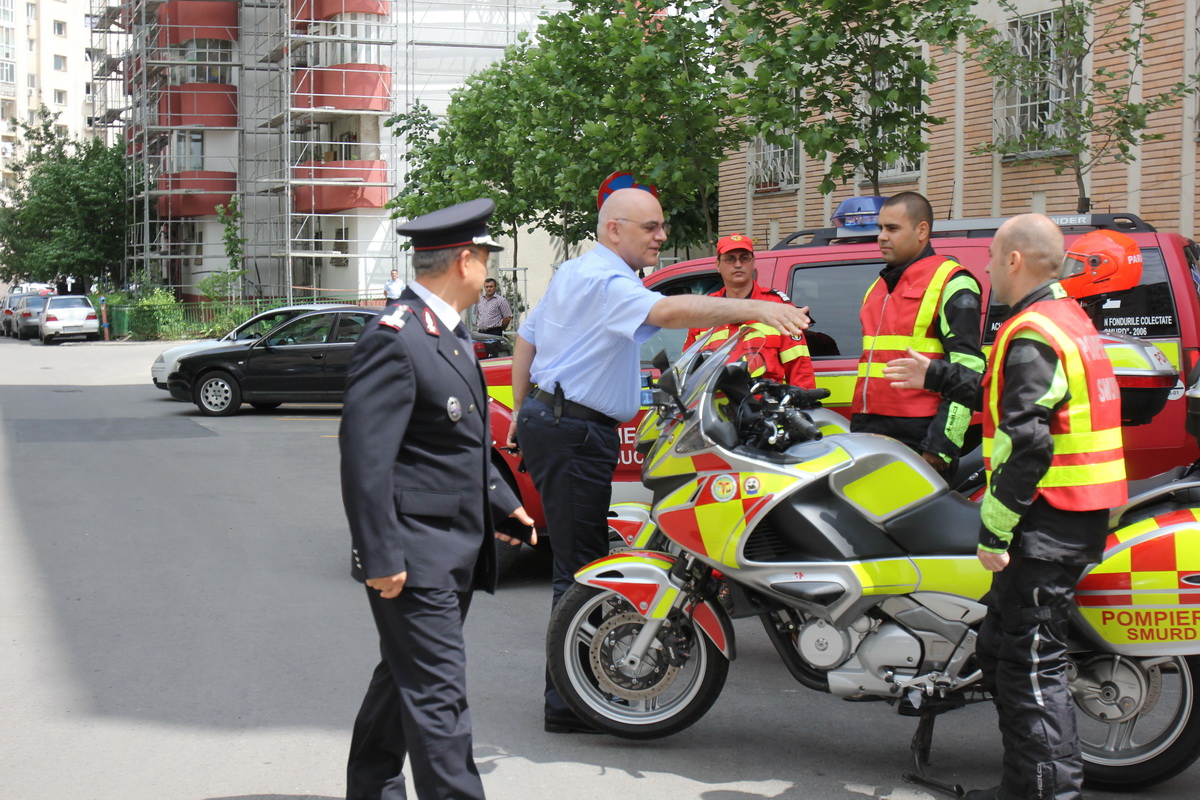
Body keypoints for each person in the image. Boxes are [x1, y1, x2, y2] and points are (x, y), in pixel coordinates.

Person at [505, 187, 811, 734]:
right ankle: (569, 703)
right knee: (579, 572)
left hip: (558, 421)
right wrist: (759, 308)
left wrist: (522, 411)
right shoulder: (606, 280)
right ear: (614, 229)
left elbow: (526, 341)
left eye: (661, 225)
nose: (661, 236)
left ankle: (575, 693)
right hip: (573, 429)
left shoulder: (578, 273)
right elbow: (668, 310)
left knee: (581, 564)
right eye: (651, 227)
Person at [883, 213, 1127, 800]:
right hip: (1070, 515)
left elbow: (1025, 440)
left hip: (1048, 522)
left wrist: (993, 534)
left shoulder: (1035, 330)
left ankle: (1044, 791)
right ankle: (1024, 783)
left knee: (1030, 670)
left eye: (992, 258)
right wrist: (936, 374)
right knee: (1000, 652)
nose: (988, 269)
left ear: (1014, 260)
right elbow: (1000, 389)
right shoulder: (1063, 320)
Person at [340, 198, 535, 800]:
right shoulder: (396, 339)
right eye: (485, 256)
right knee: (439, 700)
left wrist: (504, 500)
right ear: (467, 261)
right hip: (415, 557)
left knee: (403, 683)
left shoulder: (446, 336)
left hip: (451, 548)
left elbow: (458, 442)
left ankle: (371, 789)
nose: (487, 268)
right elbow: (365, 458)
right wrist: (380, 556)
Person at [851, 191, 985, 472]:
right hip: (867, 431)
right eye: (880, 228)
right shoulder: (877, 288)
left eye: (892, 228)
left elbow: (968, 371)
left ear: (922, 230)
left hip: (919, 438)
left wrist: (941, 447)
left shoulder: (953, 282)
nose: (881, 236)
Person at [683, 233, 816, 388]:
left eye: (744, 258)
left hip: (764, 407)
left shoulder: (778, 307)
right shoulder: (703, 310)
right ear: (718, 265)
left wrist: (803, 403)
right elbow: (687, 368)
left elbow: (799, 366)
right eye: (730, 259)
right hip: (712, 408)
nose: (738, 264)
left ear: (753, 263)